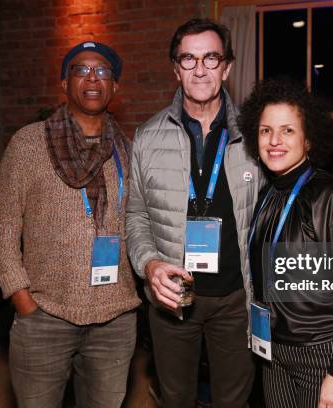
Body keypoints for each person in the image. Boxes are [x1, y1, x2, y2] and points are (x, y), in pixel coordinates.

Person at [0, 41, 140, 408]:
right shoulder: (29, 143)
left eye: (103, 71)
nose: (92, 77)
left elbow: (139, 221)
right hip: (45, 314)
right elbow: (1, 222)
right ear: (64, 83)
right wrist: (20, 296)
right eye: (81, 69)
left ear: (114, 86)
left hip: (115, 318)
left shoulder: (127, 148)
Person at [126, 18, 263, 408]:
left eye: (211, 58)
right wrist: (149, 264)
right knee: (175, 398)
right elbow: (135, 215)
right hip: (173, 298)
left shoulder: (256, 136)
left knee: (234, 400)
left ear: (227, 67)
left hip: (237, 297)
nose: (200, 69)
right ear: (175, 68)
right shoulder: (148, 137)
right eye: (189, 59)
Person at [239, 79, 333, 408]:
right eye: (266, 130)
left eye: (288, 131)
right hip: (273, 352)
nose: (274, 141)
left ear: (309, 139)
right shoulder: (268, 193)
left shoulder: (331, 196)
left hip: (321, 354)